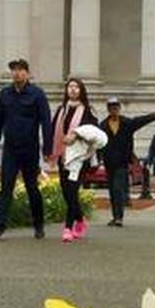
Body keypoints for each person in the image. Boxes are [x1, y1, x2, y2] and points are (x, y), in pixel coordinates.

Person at [0, 59, 52, 241]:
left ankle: (38, 225)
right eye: (14, 70)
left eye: (21, 70)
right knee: (6, 187)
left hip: (29, 148)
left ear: (27, 73)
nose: (17, 73)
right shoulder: (5, 94)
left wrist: (47, 148)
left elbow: (46, 122)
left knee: (32, 188)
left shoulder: (37, 94)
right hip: (11, 149)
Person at [49, 78, 99, 243]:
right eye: (70, 86)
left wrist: (76, 134)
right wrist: (49, 151)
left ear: (81, 90)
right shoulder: (61, 110)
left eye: (76, 87)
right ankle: (80, 218)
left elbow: (93, 131)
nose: (73, 90)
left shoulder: (88, 111)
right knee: (66, 191)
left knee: (72, 190)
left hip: (79, 158)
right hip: (63, 156)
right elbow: (52, 130)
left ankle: (68, 228)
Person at [98, 98, 155, 227]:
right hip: (109, 162)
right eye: (111, 107)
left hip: (122, 162)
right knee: (112, 191)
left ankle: (119, 217)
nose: (114, 109)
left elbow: (139, 121)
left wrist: (153, 116)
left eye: (116, 107)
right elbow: (98, 143)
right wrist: (99, 159)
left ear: (119, 108)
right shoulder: (102, 125)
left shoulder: (127, 123)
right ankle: (115, 216)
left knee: (118, 188)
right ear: (108, 109)